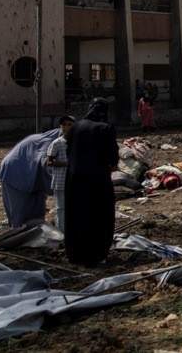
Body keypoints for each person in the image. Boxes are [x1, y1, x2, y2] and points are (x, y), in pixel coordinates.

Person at [65, 98, 119, 266]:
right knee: (98, 214)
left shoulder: (76, 127)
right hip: (97, 179)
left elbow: (68, 152)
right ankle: (96, 254)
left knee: (76, 213)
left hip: (74, 177)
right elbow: (113, 159)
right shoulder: (105, 129)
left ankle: (75, 253)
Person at [0, 119, 70, 228]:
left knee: (37, 215)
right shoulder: (51, 143)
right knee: (21, 217)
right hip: (16, 172)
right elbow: (46, 164)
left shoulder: (54, 140)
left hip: (31, 174)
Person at [44, 116, 76, 232]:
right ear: (60, 127)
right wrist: (67, 164)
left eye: (69, 125)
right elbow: (49, 162)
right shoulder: (57, 143)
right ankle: (61, 231)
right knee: (61, 208)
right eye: (64, 124)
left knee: (73, 207)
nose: (66, 127)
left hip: (74, 180)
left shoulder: (77, 143)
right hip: (60, 181)